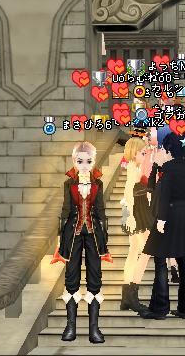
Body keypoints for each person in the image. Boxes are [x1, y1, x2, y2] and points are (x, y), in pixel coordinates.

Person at [52, 141, 112, 344]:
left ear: (93, 162)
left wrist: (105, 241)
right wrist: (60, 240)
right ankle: (71, 327)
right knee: (71, 278)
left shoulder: (98, 184)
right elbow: (65, 211)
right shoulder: (68, 184)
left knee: (95, 277)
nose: (84, 165)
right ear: (74, 161)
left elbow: (101, 211)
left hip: (94, 234)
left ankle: (94, 329)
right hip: (73, 234)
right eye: (80, 161)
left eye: (88, 161)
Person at [141, 138, 185, 320]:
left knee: (160, 260)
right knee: (183, 259)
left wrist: (161, 219)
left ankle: (160, 308)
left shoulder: (168, 171)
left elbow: (164, 196)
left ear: (168, 151)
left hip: (168, 217)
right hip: (184, 217)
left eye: (162, 149)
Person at [119, 130, 154, 314]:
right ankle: (132, 296)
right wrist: (132, 216)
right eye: (142, 152)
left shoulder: (134, 167)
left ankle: (126, 297)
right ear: (134, 153)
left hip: (138, 210)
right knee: (145, 252)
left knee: (133, 252)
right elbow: (128, 192)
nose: (144, 155)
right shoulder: (133, 168)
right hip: (137, 212)